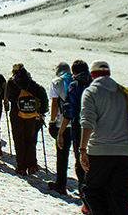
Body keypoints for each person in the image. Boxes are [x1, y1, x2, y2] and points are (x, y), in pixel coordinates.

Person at [78, 61, 128, 215]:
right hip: (126, 153)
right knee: (121, 200)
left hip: (100, 152)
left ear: (92, 74)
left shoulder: (91, 92)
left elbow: (87, 122)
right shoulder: (124, 93)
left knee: (95, 195)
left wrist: (83, 149)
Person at [59, 60, 91, 213]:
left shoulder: (75, 85)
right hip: (98, 130)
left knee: (81, 163)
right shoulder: (95, 83)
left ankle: (86, 201)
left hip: (79, 127)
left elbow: (69, 110)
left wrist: (61, 131)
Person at [5, 63, 48, 176]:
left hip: (17, 114)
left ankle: (21, 167)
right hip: (31, 115)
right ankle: (32, 165)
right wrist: (42, 111)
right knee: (31, 140)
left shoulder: (11, 82)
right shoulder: (31, 83)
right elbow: (42, 95)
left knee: (19, 140)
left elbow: (10, 97)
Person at [47, 62, 74, 195]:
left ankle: (61, 184)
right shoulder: (75, 81)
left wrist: (52, 121)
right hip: (77, 123)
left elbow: (54, 103)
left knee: (62, 154)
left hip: (61, 123)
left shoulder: (56, 82)